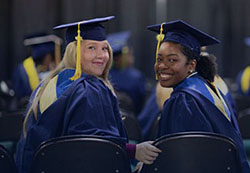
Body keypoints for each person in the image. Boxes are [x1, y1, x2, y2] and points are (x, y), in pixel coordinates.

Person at [15, 16, 161, 173]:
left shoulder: (47, 84)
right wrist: (134, 151)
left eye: (104, 48)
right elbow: (94, 149)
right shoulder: (89, 88)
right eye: (92, 48)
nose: (101, 55)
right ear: (74, 52)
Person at [146, 20, 250, 172]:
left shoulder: (183, 100)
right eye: (159, 59)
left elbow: (180, 158)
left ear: (191, 65)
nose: (162, 66)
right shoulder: (207, 86)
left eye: (172, 60)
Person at [11, 33, 63, 99]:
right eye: (49, 56)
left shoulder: (54, 68)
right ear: (45, 56)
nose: (50, 59)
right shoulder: (23, 70)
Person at [107, 31, 147, 116]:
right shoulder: (135, 77)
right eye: (129, 53)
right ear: (119, 58)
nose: (132, 56)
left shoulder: (104, 76)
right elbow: (141, 104)